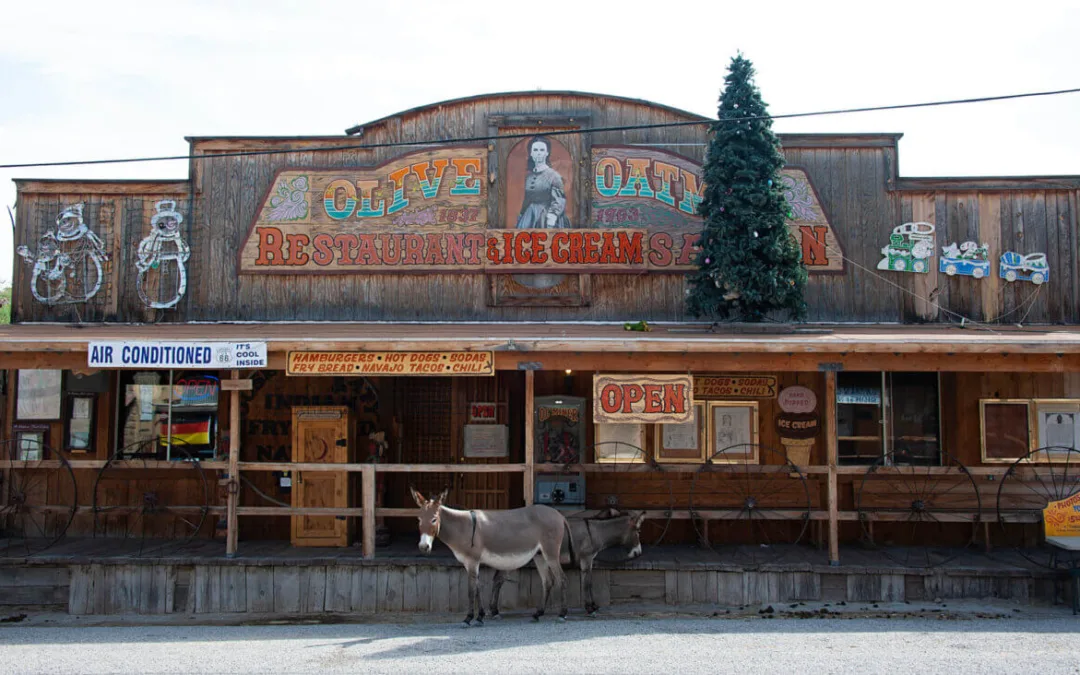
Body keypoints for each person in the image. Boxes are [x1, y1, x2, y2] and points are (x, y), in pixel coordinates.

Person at [514, 136, 571, 288]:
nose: (538, 153)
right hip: (529, 217)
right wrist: (520, 218)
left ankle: (547, 284)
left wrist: (551, 218)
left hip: (547, 218)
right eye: (535, 150)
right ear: (531, 154)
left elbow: (559, 200)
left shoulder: (554, 175)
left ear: (546, 153)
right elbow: (527, 199)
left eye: (541, 150)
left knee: (546, 252)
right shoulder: (530, 176)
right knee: (527, 252)